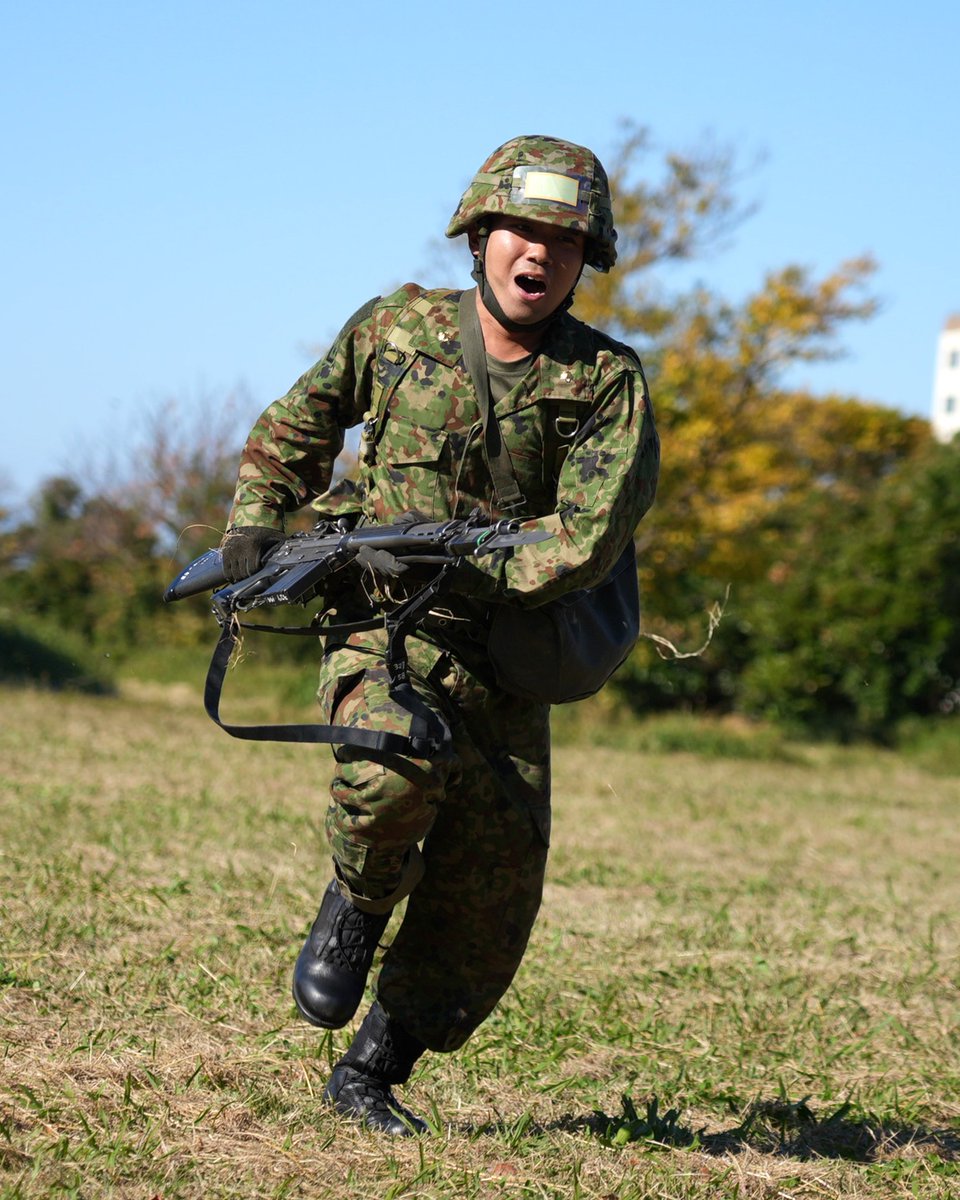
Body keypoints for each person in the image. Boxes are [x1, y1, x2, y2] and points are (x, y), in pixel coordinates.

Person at [220, 135, 660, 1135]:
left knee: (487, 908)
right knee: (391, 769)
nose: (539, 253)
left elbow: (588, 537)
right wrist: (259, 514)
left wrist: (458, 558)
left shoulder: (605, 383)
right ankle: (359, 898)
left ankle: (371, 1073)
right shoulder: (397, 329)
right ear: (479, 234)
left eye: (564, 240)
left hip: (512, 651)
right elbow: (301, 420)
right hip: (382, 627)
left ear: (586, 259)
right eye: (522, 230)